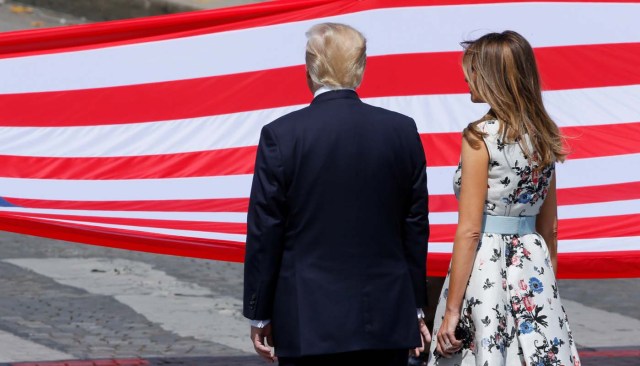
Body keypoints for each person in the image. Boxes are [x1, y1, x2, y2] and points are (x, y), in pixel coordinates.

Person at [243, 22, 431, 366]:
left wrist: (259, 311)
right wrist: (416, 306)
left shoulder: (282, 135)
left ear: (309, 69)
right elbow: (414, 226)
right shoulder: (402, 131)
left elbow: (266, 229)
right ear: (361, 68)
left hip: (308, 317)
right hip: (386, 314)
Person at [427, 31, 581, 365]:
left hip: (486, 263)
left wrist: (452, 311)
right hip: (532, 260)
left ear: (493, 78)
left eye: (473, 71)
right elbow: (549, 226)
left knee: (485, 351)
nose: (466, 78)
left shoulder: (479, 137)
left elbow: (469, 230)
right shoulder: (544, 135)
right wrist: (548, 287)